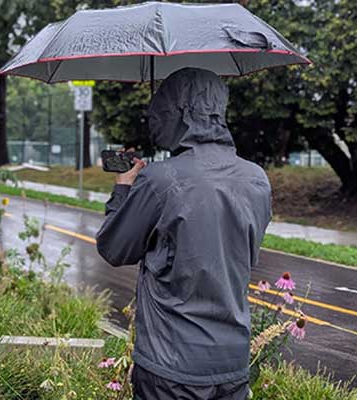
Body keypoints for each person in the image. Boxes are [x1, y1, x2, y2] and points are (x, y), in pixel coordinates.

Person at [96, 68, 272, 400]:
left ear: (182, 112)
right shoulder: (257, 179)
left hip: (170, 365)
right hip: (232, 362)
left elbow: (114, 248)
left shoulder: (161, 180)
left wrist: (123, 190)